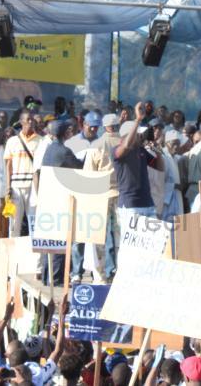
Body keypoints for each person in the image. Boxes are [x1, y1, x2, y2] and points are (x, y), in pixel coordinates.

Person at [113, 102, 164, 246]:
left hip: (148, 204)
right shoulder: (117, 151)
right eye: (137, 134)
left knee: (151, 245)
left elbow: (160, 168)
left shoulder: (141, 151)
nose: (140, 136)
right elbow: (127, 145)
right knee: (130, 246)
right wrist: (137, 119)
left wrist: (158, 151)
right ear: (127, 136)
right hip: (130, 206)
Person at [83, 113, 122, 283]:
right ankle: (121, 274)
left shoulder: (97, 145)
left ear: (104, 126)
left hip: (101, 195)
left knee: (99, 238)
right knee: (121, 238)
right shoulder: (125, 143)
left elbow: (89, 175)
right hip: (122, 195)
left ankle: (100, 276)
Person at [4, 111, 42, 238]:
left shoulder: (40, 141)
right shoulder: (12, 141)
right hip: (16, 186)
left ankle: (37, 256)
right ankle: (12, 254)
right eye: (28, 120)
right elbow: (8, 166)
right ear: (21, 122)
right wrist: (8, 187)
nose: (31, 122)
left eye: (32, 120)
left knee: (34, 223)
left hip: (33, 186)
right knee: (14, 224)